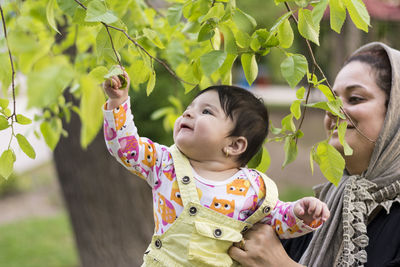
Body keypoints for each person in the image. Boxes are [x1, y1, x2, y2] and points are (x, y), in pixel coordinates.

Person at [102, 76, 330, 266]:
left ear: (234, 145)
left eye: (206, 112)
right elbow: (126, 148)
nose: (188, 114)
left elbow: (278, 221)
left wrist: (301, 214)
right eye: (189, 109)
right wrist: (118, 102)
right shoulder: (165, 163)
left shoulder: (253, 189)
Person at [229, 42, 400, 267]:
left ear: (395, 113)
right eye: (331, 99)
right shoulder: (317, 212)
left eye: (355, 98)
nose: (333, 110)